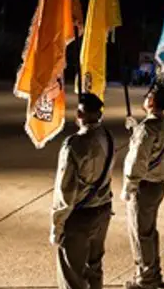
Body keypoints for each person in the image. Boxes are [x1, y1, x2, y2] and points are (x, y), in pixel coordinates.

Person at [50, 93, 114, 289]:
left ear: (79, 114)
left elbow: (65, 191)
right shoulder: (107, 137)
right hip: (102, 209)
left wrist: (57, 224)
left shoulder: (73, 145)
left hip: (79, 216)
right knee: (94, 266)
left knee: (72, 275)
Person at [121, 84, 164, 289]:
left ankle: (145, 278)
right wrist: (135, 129)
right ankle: (153, 271)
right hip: (158, 183)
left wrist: (129, 185)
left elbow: (138, 160)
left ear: (151, 101)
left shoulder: (147, 129)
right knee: (149, 232)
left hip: (144, 186)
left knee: (140, 234)